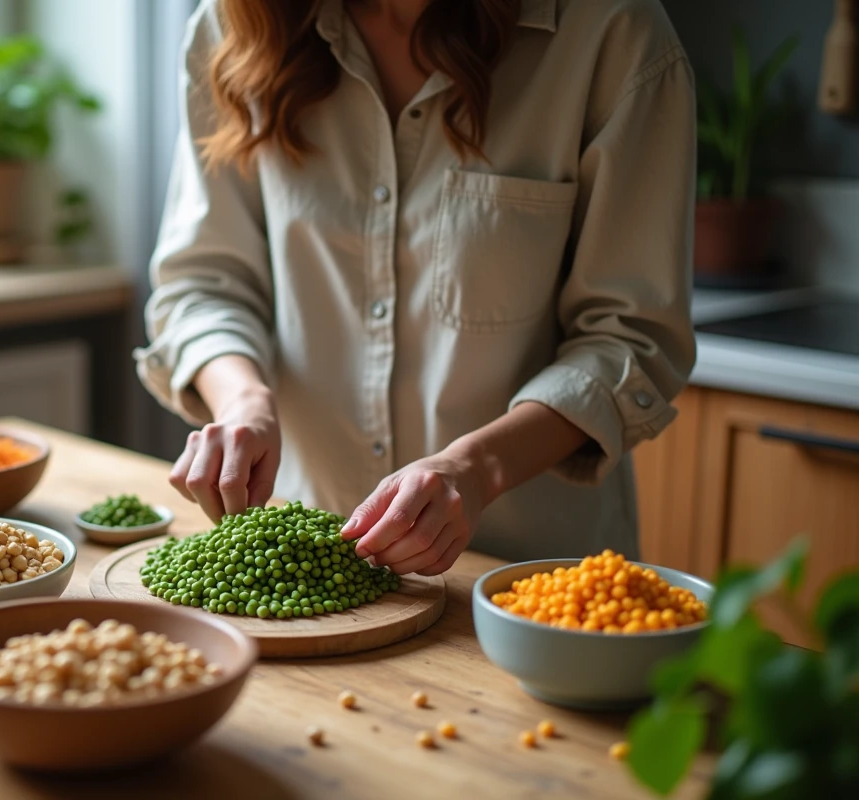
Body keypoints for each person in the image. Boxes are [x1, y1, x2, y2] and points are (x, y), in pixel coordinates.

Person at [135, 0, 696, 576]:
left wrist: (476, 469)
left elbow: (629, 336)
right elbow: (203, 283)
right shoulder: (238, 25)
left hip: (531, 577)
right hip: (306, 555)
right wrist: (243, 402)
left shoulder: (611, 30)